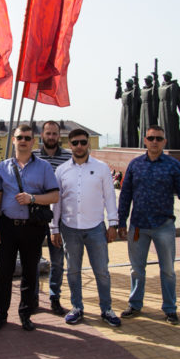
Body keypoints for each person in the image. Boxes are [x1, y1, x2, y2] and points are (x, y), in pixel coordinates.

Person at [118, 126, 180, 324]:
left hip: (163, 225)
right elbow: (125, 195)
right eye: (151, 138)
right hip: (138, 226)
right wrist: (121, 221)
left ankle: (170, 308)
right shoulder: (135, 165)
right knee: (136, 269)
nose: (155, 142)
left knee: (168, 270)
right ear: (145, 141)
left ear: (164, 142)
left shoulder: (173, 165)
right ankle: (135, 304)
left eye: (158, 138)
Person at [0, 125, 59, 331]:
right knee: (4, 272)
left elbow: (54, 196)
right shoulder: (2, 168)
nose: (23, 141)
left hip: (33, 228)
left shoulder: (44, 167)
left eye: (27, 138)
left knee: (30, 272)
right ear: (13, 140)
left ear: (33, 141)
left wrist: (32, 198)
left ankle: (26, 314)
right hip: (7, 226)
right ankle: (1, 314)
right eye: (19, 137)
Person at [50, 128, 121, 327]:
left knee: (102, 271)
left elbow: (110, 197)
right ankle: (77, 307)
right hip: (69, 228)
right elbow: (57, 202)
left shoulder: (102, 168)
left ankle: (106, 309)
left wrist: (113, 223)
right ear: (69, 145)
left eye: (83, 142)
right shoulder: (61, 170)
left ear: (88, 143)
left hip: (96, 228)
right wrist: (54, 228)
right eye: (75, 143)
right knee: (73, 271)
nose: (79, 146)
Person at [33, 120, 72, 316]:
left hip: (60, 217)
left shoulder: (69, 157)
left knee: (57, 261)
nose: (51, 137)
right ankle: (32, 298)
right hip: (36, 216)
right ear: (42, 135)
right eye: (47, 133)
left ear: (59, 135)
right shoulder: (32, 156)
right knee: (32, 259)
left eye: (54, 133)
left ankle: (54, 298)